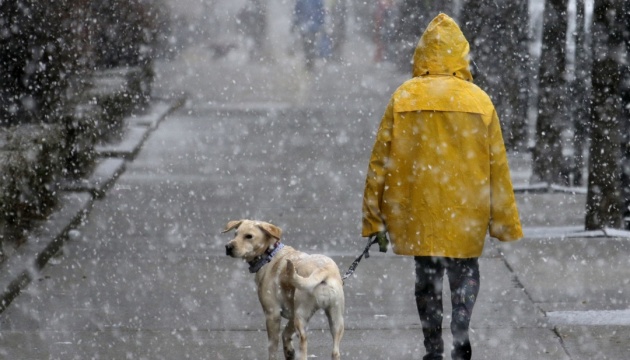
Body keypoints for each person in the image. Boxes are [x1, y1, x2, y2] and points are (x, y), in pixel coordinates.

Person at [361, 13, 523, 360]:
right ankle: (461, 334)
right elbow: (498, 166)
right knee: (465, 270)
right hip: (467, 207)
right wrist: (503, 221)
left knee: (427, 278)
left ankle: (432, 348)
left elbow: (380, 164)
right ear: (461, 55)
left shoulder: (403, 98)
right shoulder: (479, 101)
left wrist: (375, 219)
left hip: (419, 209)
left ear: (421, 55)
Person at [293, 0, 325, 71]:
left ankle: (309, 62)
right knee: (310, 45)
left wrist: (296, 24)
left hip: (306, 27)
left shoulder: (302, 1)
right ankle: (310, 62)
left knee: (307, 45)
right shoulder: (317, 1)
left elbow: (297, 12)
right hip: (312, 27)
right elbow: (321, 12)